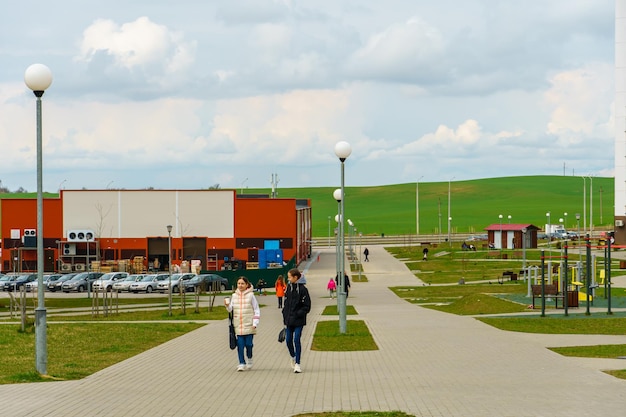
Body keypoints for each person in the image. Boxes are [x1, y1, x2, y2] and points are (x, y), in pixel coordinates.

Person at [224, 276, 260, 371]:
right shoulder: (234, 296)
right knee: (240, 344)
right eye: (239, 283)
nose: (240, 285)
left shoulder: (251, 296)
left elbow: (256, 309)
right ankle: (241, 363)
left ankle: (249, 357)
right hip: (238, 324)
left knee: (249, 344)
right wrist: (227, 305)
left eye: (242, 283)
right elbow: (231, 309)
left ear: (247, 285)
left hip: (249, 323)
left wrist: (255, 322)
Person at [282, 268, 311, 374]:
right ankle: (293, 356)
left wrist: (299, 313)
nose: (288, 279)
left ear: (295, 277)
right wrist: (284, 315)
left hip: (299, 320)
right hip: (289, 320)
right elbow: (286, 303)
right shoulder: (288, 288)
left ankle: (298, 363)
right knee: (288, 340)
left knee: (296, 339)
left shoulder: (303, 290)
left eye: (289, 277)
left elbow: (307, 306)